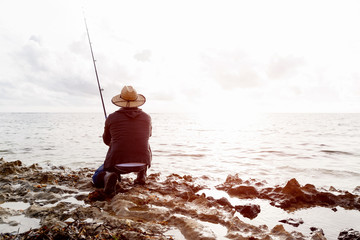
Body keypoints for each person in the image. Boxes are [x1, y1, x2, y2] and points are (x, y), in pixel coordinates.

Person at [92, 86, 152, 194]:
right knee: (145, 143)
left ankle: (109, 176)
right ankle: (141, 175)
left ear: (121, 101)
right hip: (142, 163)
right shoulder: (147, 117)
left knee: (96, 176)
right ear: (136, 101)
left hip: (117, 164)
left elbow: (106, 140)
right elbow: (149, 135)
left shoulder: (111, 117)